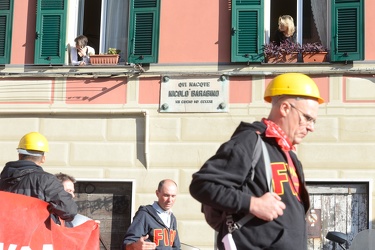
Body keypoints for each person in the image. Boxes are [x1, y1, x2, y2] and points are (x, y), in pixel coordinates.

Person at [189, 73, 325, 250]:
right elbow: (202, 184)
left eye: (313, 121)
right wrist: (253, 204)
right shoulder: (250, 141)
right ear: (285, 108)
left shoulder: (288, 154)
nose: (311, 127)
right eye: (307, 118)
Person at [0, 132, 77, 222]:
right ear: (43, 158)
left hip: (8, 235)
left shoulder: (3, 180)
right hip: (35, 235)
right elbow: (69, 211)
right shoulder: (47, 180)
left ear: (19, 155)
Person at [122, 179, 181, 250]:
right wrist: (134, 246)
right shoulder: (144, 214)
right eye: (166, 195)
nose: (170, 200)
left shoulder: (172, 218)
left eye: (173, 196)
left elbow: (176, 247)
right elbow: (127, 244)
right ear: (157, 193)